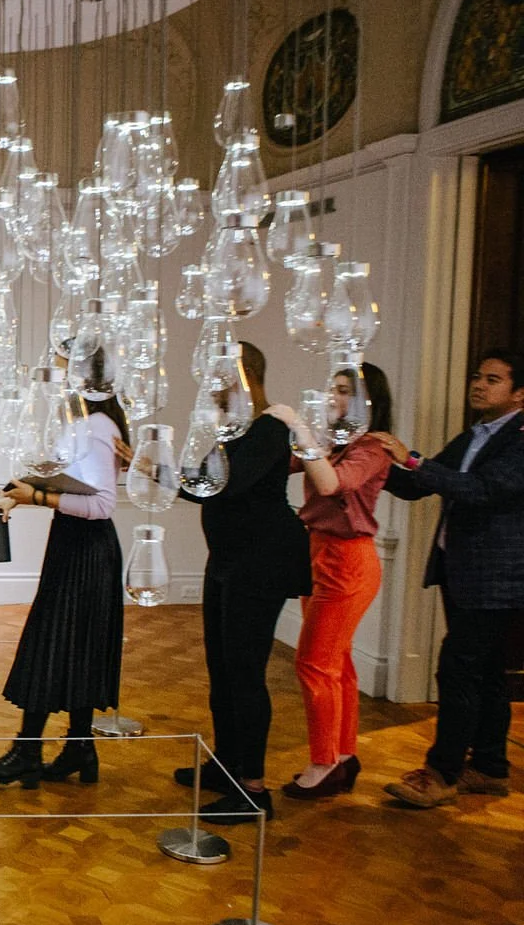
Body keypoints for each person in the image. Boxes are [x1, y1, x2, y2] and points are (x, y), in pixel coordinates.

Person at [377, 348, 524, 808]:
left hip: (498, 579)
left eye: (493, 379)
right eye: (478, 377)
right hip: (463, 572)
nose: (479, 385)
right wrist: (371, 460)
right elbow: (419, 484)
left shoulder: (519, 438)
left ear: (520, 393)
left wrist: (415, 460)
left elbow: (484, 490)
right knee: (489, 673)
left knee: (457, 668)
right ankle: (490, 767)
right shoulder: (475, 435)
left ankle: (441, 774)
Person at [175, 341, 311, 824]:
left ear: (245, 376)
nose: (211, 387)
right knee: (222, 668)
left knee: (245, 673)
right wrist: (151, 469)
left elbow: (224, 484)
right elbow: (201, 488)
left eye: (219, 377)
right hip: (229, 561)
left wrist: (169, 472)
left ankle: (252, 789)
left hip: (262, 563)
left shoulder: (270, 427)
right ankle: (227, 765)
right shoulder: (232, 430)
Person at [0, 374, 128, 789]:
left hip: (87, 551)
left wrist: (36, 498)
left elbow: (101, 504)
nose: (58, 381)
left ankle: (28, 752)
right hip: (74, 546)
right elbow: (60, 478)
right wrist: (14, 497)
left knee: (52, 644)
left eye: (66, 370)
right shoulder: (84, 424)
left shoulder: (97, 427)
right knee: (75, 648)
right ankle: (79, 749)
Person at [265, 362, 395, 799]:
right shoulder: (332, 442)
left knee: (314, 662)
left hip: (348, 559)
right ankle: (341, 756)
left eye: (342, 391)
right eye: (331, 389)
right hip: (318, 553)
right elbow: (282, 466)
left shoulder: (374, 446)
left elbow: (331, 484)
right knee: (335, 662)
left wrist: (300, 426)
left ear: (366, 400)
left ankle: (324, 761)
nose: (332, 398)